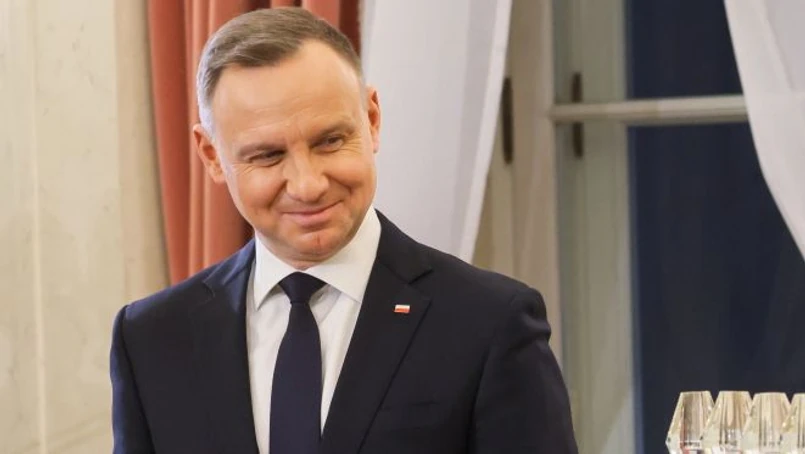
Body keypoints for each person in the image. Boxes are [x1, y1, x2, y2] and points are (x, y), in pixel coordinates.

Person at [110, 7, 578, 454]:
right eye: (268, 156)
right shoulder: (151, 339)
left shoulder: (489, 323)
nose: (308, 185)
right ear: (212, 156)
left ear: (371, 119)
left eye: (330, 141)